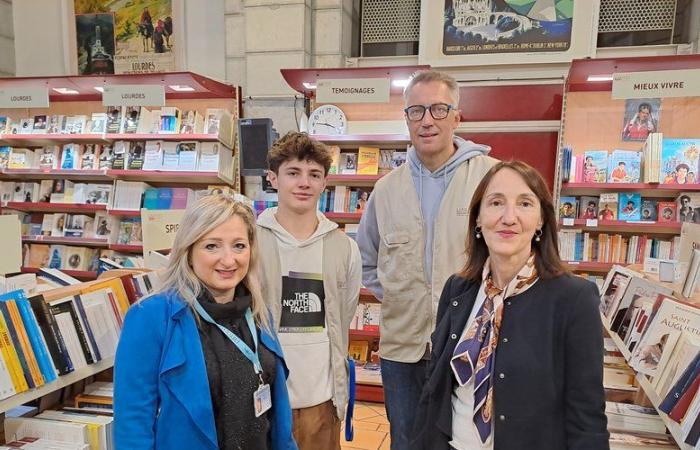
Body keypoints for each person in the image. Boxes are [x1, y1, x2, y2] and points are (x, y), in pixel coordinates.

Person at [410, 160, 609, 450]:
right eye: (496, 203)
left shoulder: (574, 299)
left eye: (525, 203)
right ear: (477, 217)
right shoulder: (458, 289)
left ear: (541, 220)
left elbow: (587, 415)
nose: (509, 217)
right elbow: (435, 387)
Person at [356, 69, 498, 449]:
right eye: (416, 111)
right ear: (406, 119)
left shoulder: (490, 178)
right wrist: (402, 298)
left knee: (466, 441)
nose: (427, 120)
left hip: (470, 345)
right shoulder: (385, 190)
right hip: (403, 349)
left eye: (438, 109)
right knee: (406, 440)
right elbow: (367, 260)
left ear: (457, 116)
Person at [114, 194, 297, 450]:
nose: (229, 260)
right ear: (188, 252)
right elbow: (133, 422)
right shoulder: (150, 316)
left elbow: (277, 415)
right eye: (212, 246)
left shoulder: (258, 311)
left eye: (239, 246)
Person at [257, 132, 362, 450]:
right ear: (273, 178)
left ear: (324, 183)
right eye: (293, 173)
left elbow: (344, 314)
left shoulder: (344, 248)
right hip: (264, 398)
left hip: (322, 400)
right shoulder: (249, 242)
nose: (304, 183)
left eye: (314, 174)